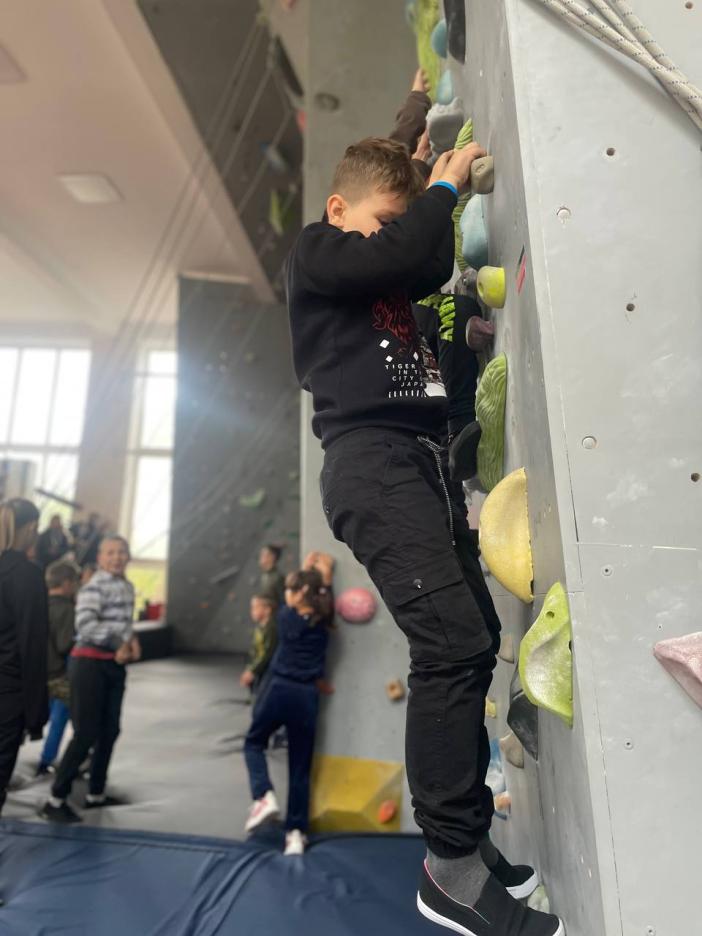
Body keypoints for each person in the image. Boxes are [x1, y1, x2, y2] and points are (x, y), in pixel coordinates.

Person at [286, 138, 563, 936]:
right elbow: (403, 249)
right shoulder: (316, 252)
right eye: (384, 220)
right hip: (371, 465)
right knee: (450, 644)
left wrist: (421, 164)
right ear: (338, 210)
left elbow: (419, 253)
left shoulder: (384, 267)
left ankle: (469, 845)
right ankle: (449, 871)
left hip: (420, 464)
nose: (397, 236)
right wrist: (440, 191)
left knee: (473, 640)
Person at [39, 535, 141, 824]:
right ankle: (55, 799)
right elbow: (85, 625)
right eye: (110, 553)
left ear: (128, 556)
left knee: (110, 731)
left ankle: (96, 793)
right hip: (89, 664)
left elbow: (125, 624)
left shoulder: (127, 587)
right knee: (86, 732)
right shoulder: (94, 587)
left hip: (113, 666)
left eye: (122, 552)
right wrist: (118, 642)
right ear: (100, 558)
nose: (117, 557)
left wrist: (132, 641)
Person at [243, 552, 335, 856]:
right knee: (300, 765)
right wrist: (324, 579)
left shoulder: (284, 618)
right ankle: (295, 833)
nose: (286, 594)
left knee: (253, 743)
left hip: (279, 690)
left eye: (289, 590)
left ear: (299, 593)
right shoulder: (323, 624)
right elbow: (324, 602)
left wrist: (308, 571)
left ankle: (263, 795)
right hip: (306, 697)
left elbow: (295, 602)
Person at [0, 499, 49, 812]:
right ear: (31, 528)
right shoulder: (27, 575)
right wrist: (36, 714)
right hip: (8, 694)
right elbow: (32, 644)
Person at [36, 560, 80, 776]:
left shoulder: (37, 606)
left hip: (37, 673)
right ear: (66, 583)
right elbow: (64, 644)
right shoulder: (67, 610)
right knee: (60, 719)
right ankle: (46, 760)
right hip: (61, 675)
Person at [240, 595, 278, 695]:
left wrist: (253, 670)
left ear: (267, 610)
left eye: (255, 607)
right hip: (260, 669)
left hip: (267, 671)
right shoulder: (260, 628)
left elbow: (267, 653)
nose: (252, 611)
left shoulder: (272, 629)